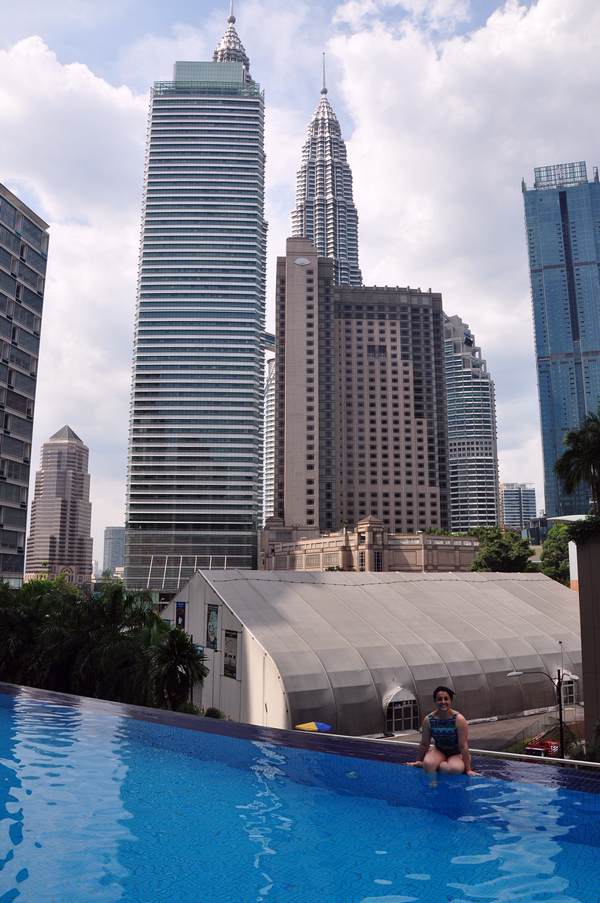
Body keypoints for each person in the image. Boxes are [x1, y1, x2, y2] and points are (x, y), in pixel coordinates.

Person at [406, 686, 477, 776]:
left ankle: (441, 764)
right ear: (435, 701)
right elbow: (424, 743)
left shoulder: (458, 719)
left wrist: (468, 769)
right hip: (439, 751)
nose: (443, 702)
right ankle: (436, 762)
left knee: (454, 770)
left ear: (450, 701)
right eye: (439, 699)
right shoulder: (429, 720)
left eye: (446, 699)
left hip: (457, 753)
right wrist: (418, 761)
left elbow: (463, 746)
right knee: (428, 765)